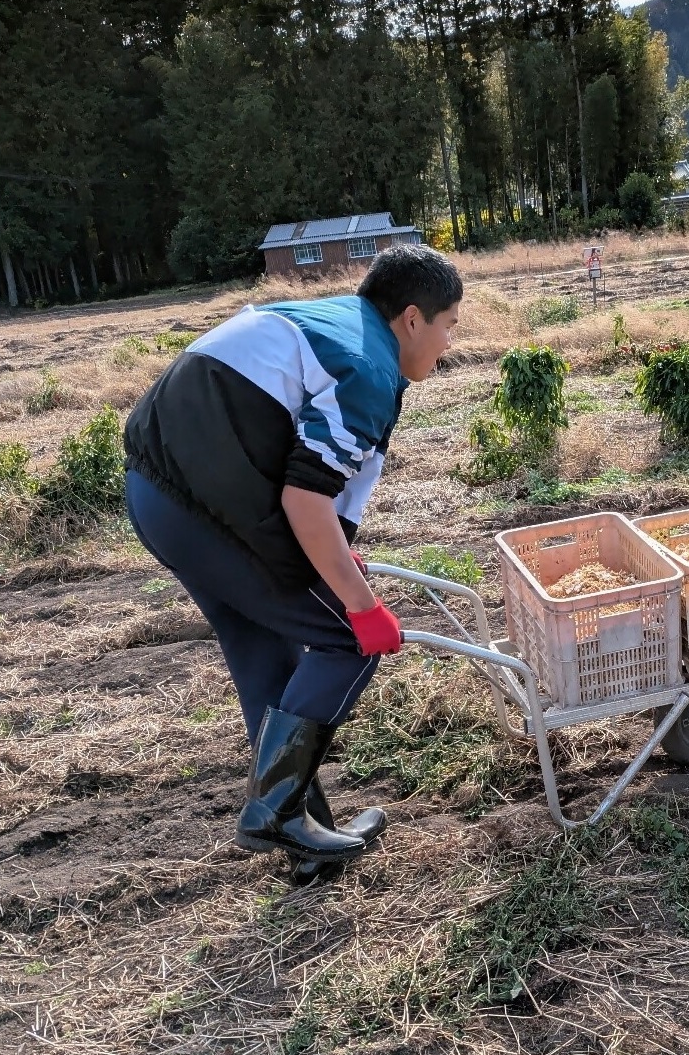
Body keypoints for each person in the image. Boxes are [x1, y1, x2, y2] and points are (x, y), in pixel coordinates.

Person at [123, 245, 462, 885]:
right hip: (208, 512)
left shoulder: (333, 322)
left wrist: (333, 554)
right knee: (345, 640)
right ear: (413, 318)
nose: (448, 343)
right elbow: (304, 497)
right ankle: (275, 810)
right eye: (450, 325)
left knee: (264, 652)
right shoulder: (368, 366)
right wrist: (362, 607)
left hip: (157, 496)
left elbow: (296, 472)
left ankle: (304, 837)